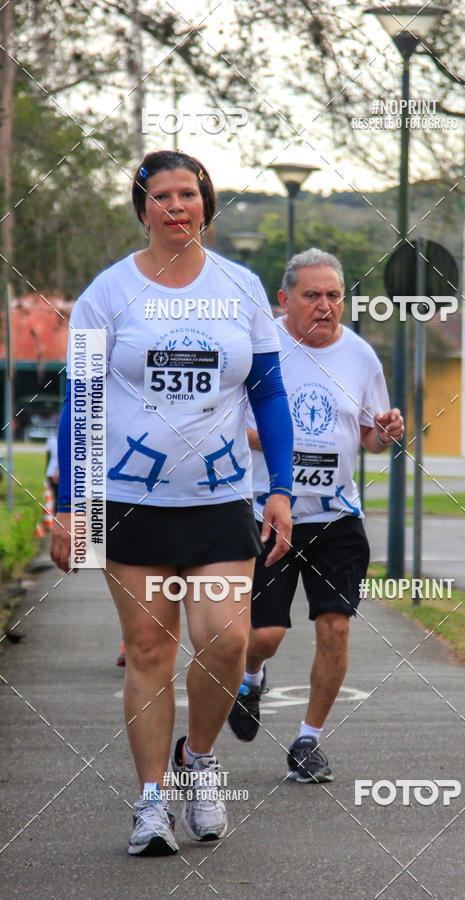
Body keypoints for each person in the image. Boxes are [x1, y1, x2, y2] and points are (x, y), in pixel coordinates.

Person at [50, 150, 293, 855]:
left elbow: (270, 393)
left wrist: (277, 488)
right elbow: (81, 400)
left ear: (206, 207)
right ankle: (151, 802)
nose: (177, 206)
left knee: (225, 639)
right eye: (163, 196)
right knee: (152, 649)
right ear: (143, 208)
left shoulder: (241, 288)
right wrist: (71, 504)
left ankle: (202, 762)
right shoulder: (109, 293)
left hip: (219, 502)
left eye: (189, 194)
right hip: (128, 502)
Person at [227, 248, 404, 782]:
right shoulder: (259, 349)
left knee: (335, 629)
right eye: (312, 296)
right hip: (268, 513)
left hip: (337, 517)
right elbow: (227, 426)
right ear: (284, 300)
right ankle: (251, 678)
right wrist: (282, 442)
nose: (325, 306)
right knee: (265, 636)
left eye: (334, 296)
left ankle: (308, 742)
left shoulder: (361, 356)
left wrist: (388, 431)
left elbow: (370, 436)